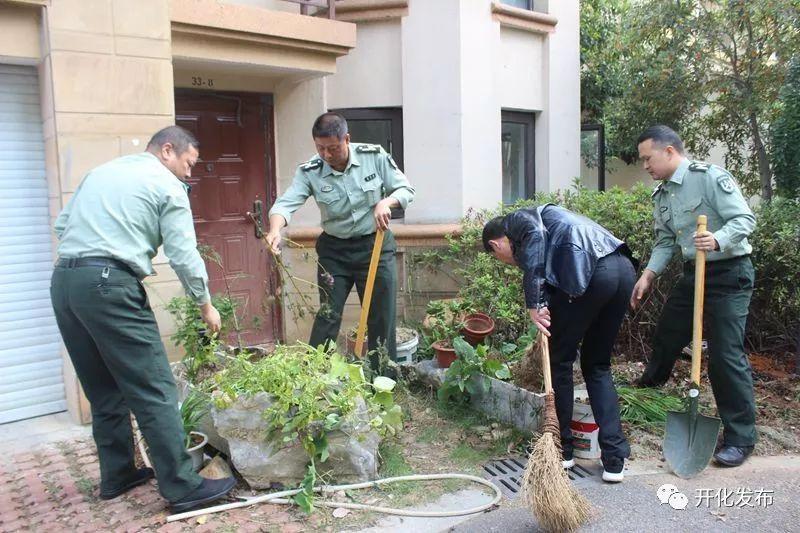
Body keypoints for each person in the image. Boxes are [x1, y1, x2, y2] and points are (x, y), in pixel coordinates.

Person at [51, 126, 236, 511]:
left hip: (66, 282)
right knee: (155, 388)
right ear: (167, 151)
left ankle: (117, 475)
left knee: (103, 389)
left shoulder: (101, 173)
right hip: (109, 285)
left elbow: (62, 226)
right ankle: (182, 487)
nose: (189, 174)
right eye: (188, 164)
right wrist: (205, 305)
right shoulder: (166, 186)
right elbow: (185, 255)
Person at [631, 125, 757, 467]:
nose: (645, 166)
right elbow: (665, 241)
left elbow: (744, 219)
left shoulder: (709, 178)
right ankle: (651, 384)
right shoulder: (662, 195)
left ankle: (740, 437)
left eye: (648, 158)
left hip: (729, 273)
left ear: (669, 151)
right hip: (694, 274)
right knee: (669, 330)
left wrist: (718, 239)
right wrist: (648, 274)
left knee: (724, 355)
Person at [483, 205, 637, 482]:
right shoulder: (555, 221)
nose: (506, 261)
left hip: (592, 271)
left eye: (497, 256)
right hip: (622, 269)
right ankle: (614, 460)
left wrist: (534, 303)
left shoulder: (518, 220)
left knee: (559, 362)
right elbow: (555, 261)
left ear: (496, 244)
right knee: (597, 365)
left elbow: (536, 241)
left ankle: (562, 450)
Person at [266, 113, 415, 372]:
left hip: (375, 246)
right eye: (320, 148)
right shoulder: (310, 171)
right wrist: (275, 229)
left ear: (346, 139)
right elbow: (285, 204)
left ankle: (382, 381)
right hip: (335, 252)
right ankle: (315, 375)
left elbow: (405, 190)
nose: (326, 154)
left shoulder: (374, 156)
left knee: (381, 317)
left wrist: (385, 202)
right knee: (328, 315)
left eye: (333, 148)